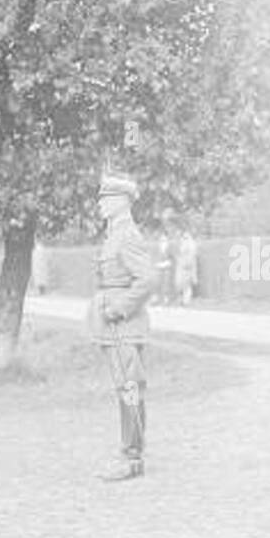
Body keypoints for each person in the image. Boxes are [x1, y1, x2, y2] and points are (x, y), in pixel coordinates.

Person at [87, 169, 159, 481]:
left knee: (129, 389)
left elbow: (148, 279)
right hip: (117, 326)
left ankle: (131, 458)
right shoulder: (115, 233)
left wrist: (118, 308)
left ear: (121, 201)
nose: (100, 205)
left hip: (122, 325)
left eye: (106, 200)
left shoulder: (127, 234)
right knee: (128, 389)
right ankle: (132, 455)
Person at [174, 226, 199, 305]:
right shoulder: (181, 244)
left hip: (188, 266)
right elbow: (178, 254)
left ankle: (186, 300)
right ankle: (181, 299)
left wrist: (192, 271)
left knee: (187, 285)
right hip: (181, 266)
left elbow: (193, 257)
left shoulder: (191, 245)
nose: (184, 239)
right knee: (179, 283)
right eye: (184, 237)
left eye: (186, 237)